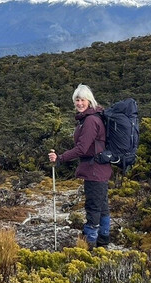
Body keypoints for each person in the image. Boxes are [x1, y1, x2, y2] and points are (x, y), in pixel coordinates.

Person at [48, 84, 112, 248]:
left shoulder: (90, 120)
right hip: (99, 169)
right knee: (101, 206)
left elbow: (82, 148)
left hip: (94, 170)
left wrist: (60, 158)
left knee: (93, 207)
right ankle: (103, 242)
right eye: (77, 100)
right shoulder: (92, 117)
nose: (79, 103)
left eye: (82, 100)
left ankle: (90, 245)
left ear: (89, 100)